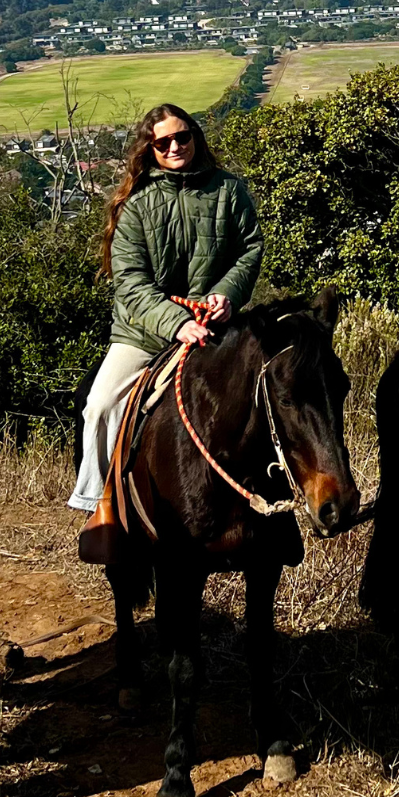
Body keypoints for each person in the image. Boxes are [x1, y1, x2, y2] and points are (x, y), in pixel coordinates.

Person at [69, 104, 264, 523]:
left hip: (217, 326)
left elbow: (249, 250)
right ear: (150, 148)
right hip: (144, 334)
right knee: (100, 408)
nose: (175, 146)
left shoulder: (229, 190)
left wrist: (227, 294)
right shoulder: (136, 204)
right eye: (163, 142)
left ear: (195, 137)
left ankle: (284, 515)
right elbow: (131, 283)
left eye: (182, 137)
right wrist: (176, 323)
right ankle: (100, 509)